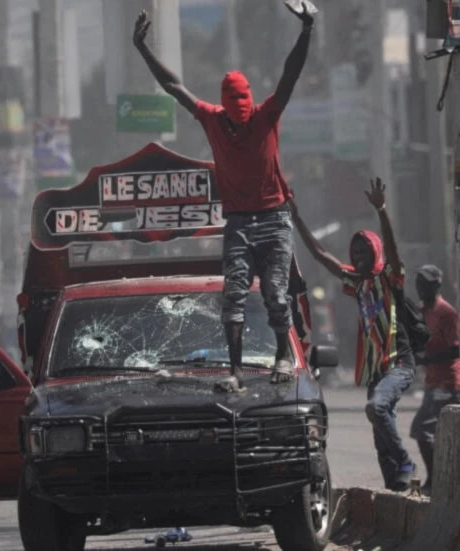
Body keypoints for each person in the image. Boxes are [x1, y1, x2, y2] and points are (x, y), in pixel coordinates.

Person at [133, 1, 316, 391]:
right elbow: (173, 86)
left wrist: (307, 30)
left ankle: (283, 355)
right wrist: (142, 48)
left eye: (244, 109)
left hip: (273, 219)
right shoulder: (212, 118)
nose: (240, 116)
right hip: (237, 221)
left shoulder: (266, 115)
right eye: (235, 111)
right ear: (225, 106)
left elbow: (290, 74)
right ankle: (234, 372)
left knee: (276, 295)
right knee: (232, 295)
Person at [291, 178, 418, 491]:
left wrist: (382, 210)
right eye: (355, 251)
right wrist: (295, 218)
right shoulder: (356, 283)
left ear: (375, 252)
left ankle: (405, 461)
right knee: (378, 431)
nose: (359, 256)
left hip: (398, 364)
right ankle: (397, 488)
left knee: (376, 408)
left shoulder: (390, 277)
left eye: (365, 251)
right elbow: (321, 255)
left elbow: (393, 248)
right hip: (377, 371)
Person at [409, 265, 460, 495]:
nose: (420, 288)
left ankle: (437, 479)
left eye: (425, 284)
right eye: (418, 283)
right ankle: (442, 477)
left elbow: (455, 351)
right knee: (423, 431)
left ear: (436, 285)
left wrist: (427, 359)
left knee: (423, 431)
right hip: (432, 381)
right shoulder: (422, 311)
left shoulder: (447, 313)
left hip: (447, 382)